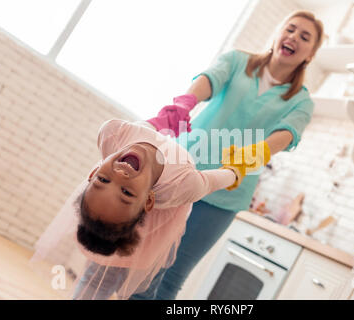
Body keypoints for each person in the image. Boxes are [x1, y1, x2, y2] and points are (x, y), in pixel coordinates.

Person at [130, 10, 324, 300]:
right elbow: (210, 79)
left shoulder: (301, 101)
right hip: (182, 172)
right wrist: (186, 102)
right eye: (291, 29)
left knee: (171, 277)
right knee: (142, 263)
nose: (294, 37)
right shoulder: (237, 62)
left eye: (304, 36)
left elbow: (288, 133)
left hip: (226, 192)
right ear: (278, 33)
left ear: (310, 54)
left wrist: (256, 153)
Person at [31, 117, 245, 300]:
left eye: (103, 180)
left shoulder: (112, 134)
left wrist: (161, 120)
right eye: (126, 193)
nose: (119, 175)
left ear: (94, 171)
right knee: (101, 280)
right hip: (154, 234)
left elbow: (139, 129)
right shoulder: (182, 185)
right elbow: (211, 181)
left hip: (140, 227)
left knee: (106, 279)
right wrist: (235, 172)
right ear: (148, 201)